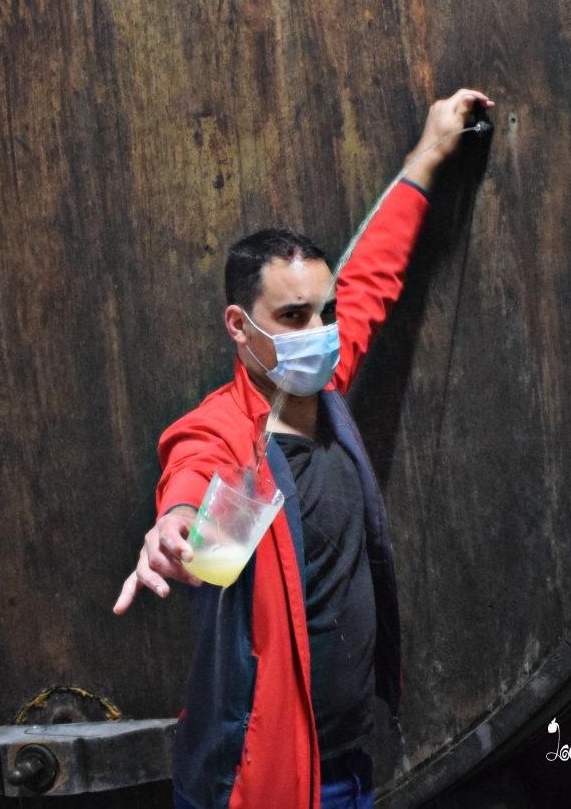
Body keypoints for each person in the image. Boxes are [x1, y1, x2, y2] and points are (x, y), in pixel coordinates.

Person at [114, 88, 495, 809]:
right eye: (293, 316)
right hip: (265, 781)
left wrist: (429, 153)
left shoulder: (322, 392)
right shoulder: (225, 431)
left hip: (349, 765)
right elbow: (189, 476)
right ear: (239, 325)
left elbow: (373, 274)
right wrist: (173, 529)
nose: (318, 332)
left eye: (325, 312)